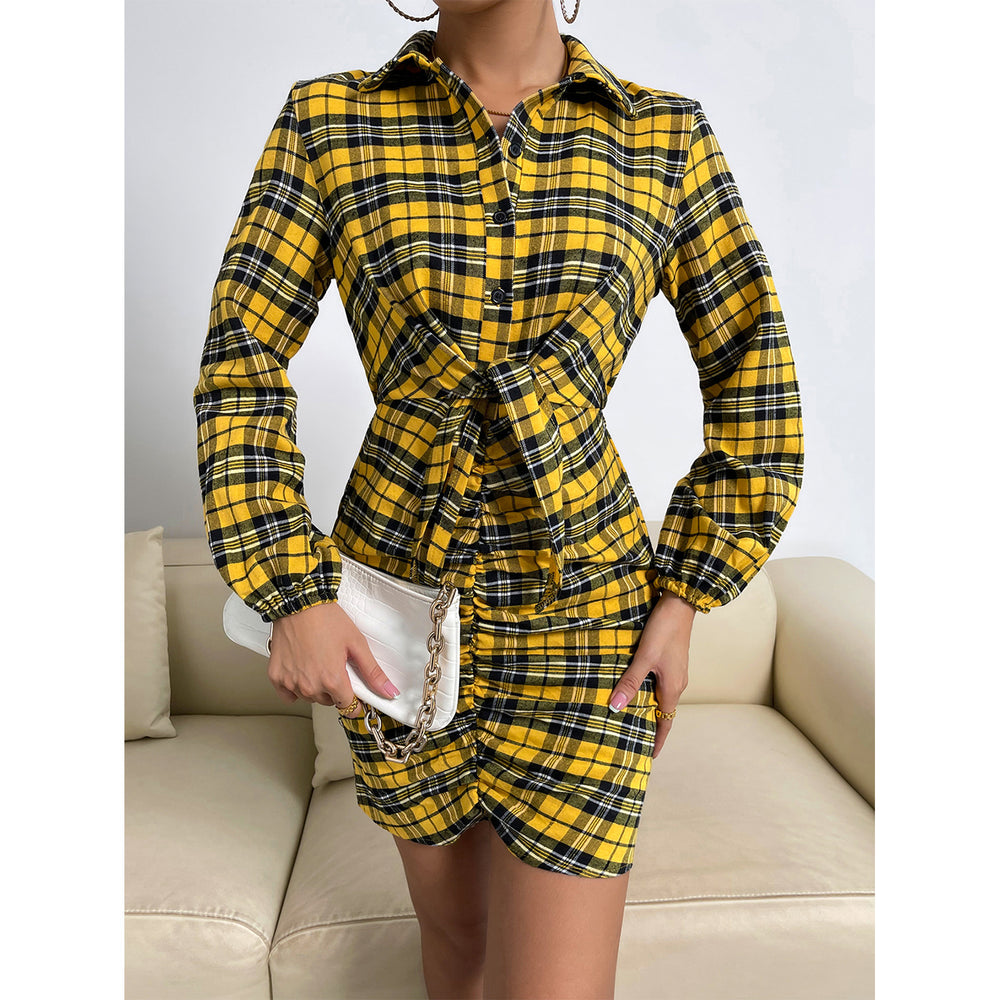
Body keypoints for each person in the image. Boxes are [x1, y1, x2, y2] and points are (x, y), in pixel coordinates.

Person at [192, 0, 805, 996]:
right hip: (398, 622)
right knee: (459, 954)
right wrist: (291, 591)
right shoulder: (329, 120)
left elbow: (754, 376)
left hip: (587, 621)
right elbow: (241, 362)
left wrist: (687, 593)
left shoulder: (663, 137)